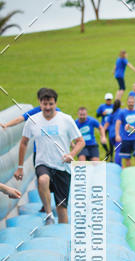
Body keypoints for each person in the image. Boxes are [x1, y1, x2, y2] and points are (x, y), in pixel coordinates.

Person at [14, 88, 84, 224]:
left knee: (62, 209)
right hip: (43, 162)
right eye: (44, 104)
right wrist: (20, 167)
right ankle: (48, 214)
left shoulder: (66, 120)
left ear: (55, 104)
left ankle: (62, 237)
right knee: (43, 179)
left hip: (62, 167)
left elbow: (81, 142)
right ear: (39, 103)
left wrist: (71, 154)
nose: (47, 107)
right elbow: (23, 143)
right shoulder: (32, 121)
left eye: (51, 104)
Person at [114, 95, 135, 167]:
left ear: (134, 103)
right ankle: (129, 172)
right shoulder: (122, 112)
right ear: (127, 102)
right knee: (127, 157)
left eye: (132, 102)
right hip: (125, 138)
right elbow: (118, 123)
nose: (131, 103)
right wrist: (117, 135)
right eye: (129, 102)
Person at [96, 93, 115, 159]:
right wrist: (102, 114)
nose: (108, 101)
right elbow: (97, 115)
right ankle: (107, 151)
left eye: (109, 99)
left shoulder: (114, 106)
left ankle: (111, 158)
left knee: (111, 142)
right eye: (107, 99)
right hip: (104, 126)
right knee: (103, 141)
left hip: (111, 127)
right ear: (105, 100)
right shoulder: (102, 106)